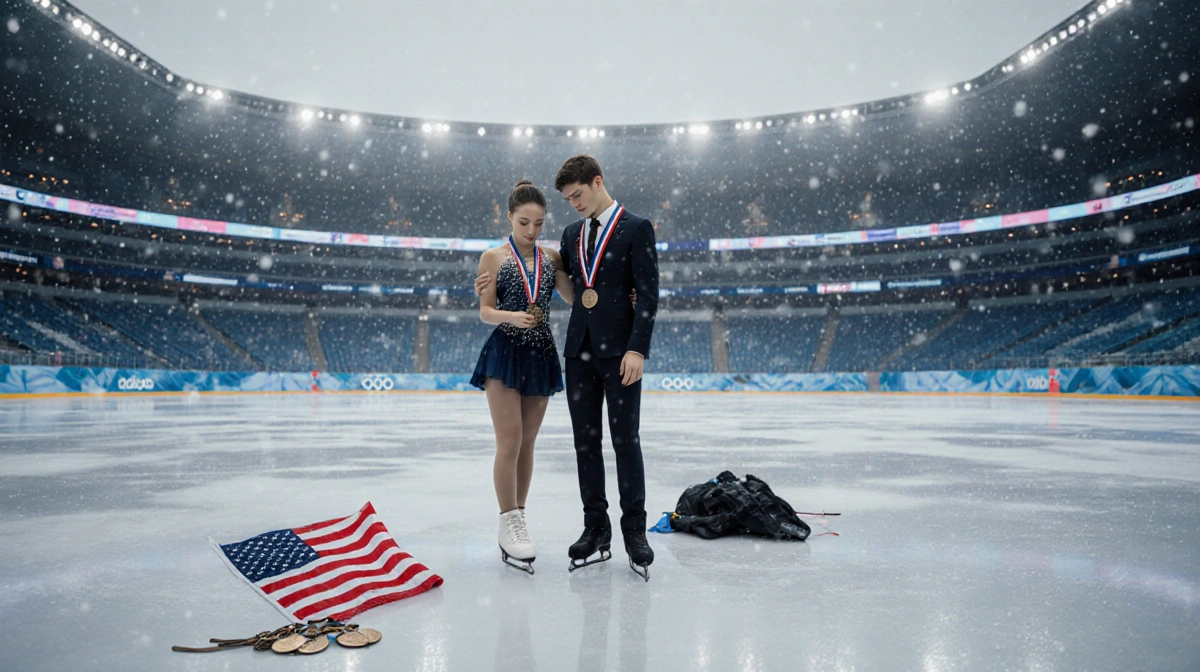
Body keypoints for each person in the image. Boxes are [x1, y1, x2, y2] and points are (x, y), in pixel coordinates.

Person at [555, 155, 659, 581]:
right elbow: (572, 289)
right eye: (567, 199)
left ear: (597, 182)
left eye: (577, 194)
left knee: (624, 440)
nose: (574, 204)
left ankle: (633, 529)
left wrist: (637, 349)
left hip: (620, 355)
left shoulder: (636, 228)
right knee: (585, 443)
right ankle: (595, 528)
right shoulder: (571, 234)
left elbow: (649, 295)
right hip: (578, 351)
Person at [471, 179, 573, 575]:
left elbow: (571, 295)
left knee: (528, 442)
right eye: (524, 222)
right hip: (505, 351)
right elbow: (485, 311)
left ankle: (520, 516)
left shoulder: (550, 258)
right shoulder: (492, 257)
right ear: (509, 217)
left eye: (539, 223)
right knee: (509, 440)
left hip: (542, 352)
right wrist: (512, 315)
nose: (532, 231)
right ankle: (507, 519)